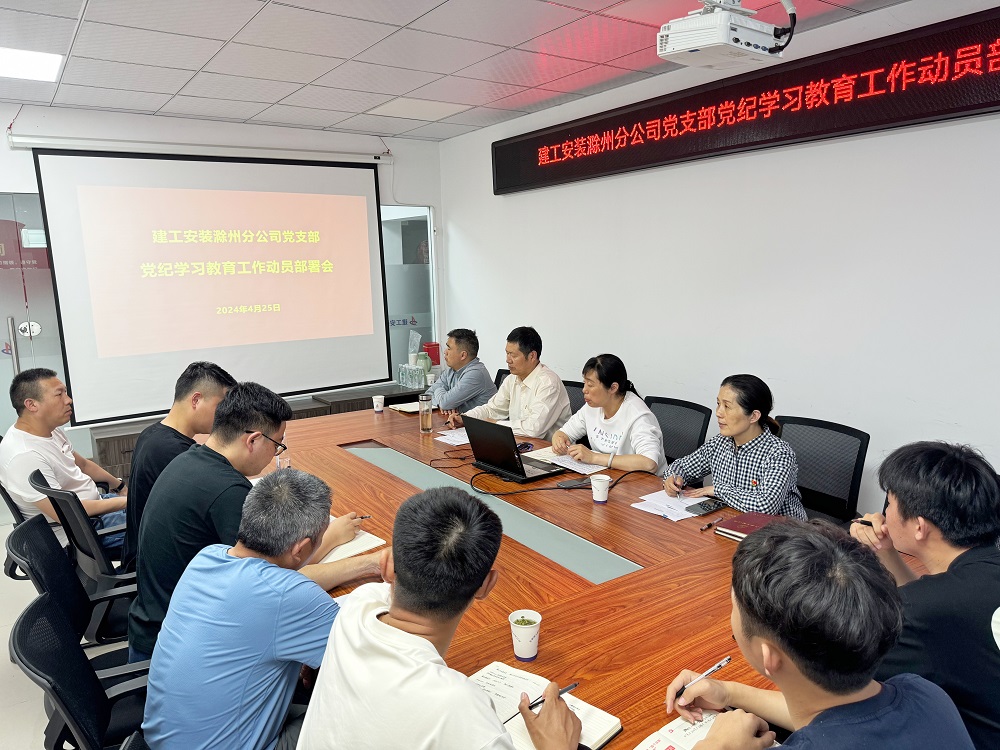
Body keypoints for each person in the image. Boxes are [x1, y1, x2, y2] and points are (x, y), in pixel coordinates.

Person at [296, 486, 582, 750]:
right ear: (486, 586)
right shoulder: (462, 711)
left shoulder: (357, 607)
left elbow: (383, 589)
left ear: (387, 566)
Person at [664, 519, 974, 749]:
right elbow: (832, 718)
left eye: (733, 608)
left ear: (768, 655)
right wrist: (729, 693)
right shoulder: (925, 693)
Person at [142, 469, 380, 750]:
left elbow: (274, 598)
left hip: (167, 738)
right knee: (374, 719)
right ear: (302, 549)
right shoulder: (290, 596)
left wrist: (370, 564)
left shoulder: (207, 557)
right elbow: (374, 666)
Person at [127, 382, 362, 662]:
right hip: (177, 648)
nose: (276, 454)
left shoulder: (189, 460)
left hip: (155, 626)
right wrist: (335, 541)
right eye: (277, 444)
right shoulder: (227, 491)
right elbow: (280, 581)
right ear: (253, 440)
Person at [851, 441, 1000, 749]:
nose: (884, 513)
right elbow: (933, 600)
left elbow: (840, 695)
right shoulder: (981, 571)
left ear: (919, 527)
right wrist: (886, 552)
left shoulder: (924, 610)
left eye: (889, 503)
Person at [121, 361, 236, 571]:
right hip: (159, 567)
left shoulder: (153, 434)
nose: (225, 415)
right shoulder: (175, 453)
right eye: (221, 406)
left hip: (145, 551)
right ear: (196, 400)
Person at [0, 368, 127, 551]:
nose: (68, 400)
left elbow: (83, 465)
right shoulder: (24, 456)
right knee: (164, 524)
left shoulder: (49, 430)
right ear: (32, 404)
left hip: (95, 506)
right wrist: (127, 502)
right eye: (59, 394)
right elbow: (66, 514)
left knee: (155, 505)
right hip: (83, 532)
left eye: (65, 392)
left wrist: (120, 487)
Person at [662, 374, 806, 519]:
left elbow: (765, 507)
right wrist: (674, 478)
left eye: (727, 406)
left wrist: (717, 490)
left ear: (753, 416)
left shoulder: (779, 453)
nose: (718, 413)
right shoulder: (720, 442)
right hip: (731, 521)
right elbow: (682, 466)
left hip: (781, 530)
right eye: (718, 404)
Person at [446, 326, 571, 441]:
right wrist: (465, 418)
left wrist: (496, 424)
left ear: (532, 356)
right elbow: (492, 409)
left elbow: (534, 429)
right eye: (507, 353)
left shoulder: (548, 383)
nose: (507, 360)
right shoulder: (512, 379)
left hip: (549, 451)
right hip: (520, 444)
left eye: (513, 355)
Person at [551, 354, 664, 473]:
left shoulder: (638, 415)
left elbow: (649, 463)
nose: (584, 390)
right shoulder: (593, 406)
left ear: (613, 388)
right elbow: (563, 433)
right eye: (584, 383)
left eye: (590, 385)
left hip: (645, 481)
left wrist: (594, 457)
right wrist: (559, 440)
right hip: (609, 475)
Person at [425, 328, 497, 413]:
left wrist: (438, 391)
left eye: (449, 348)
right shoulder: (451, 370)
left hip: (481, 421)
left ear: (463, 355)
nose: (445, 352)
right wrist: (440, 404)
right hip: (459, 419)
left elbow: (445, 403)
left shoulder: (476, 373)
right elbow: (427, 396)